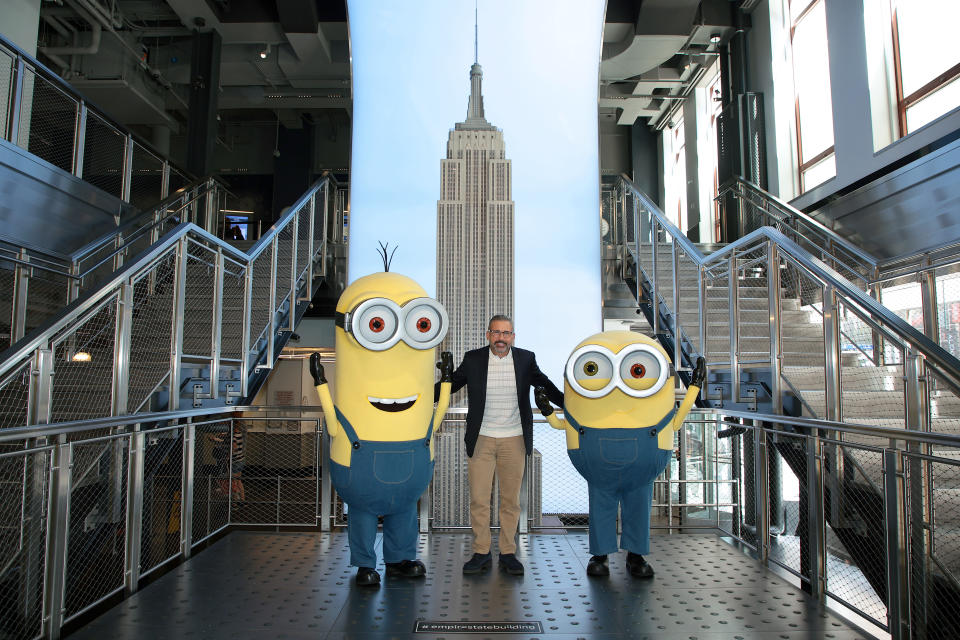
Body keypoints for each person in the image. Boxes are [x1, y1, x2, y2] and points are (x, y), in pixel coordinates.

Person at [436, 314, 563, 575]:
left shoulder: (526, 359)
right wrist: (422, 395)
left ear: (513, 337)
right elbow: (452, 385)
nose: (501, 338)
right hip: (481, 439)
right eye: (496, 333)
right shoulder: (473, 359)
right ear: (488, 335)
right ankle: (481, 552)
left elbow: (545, 385)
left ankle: (508, 552)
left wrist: (571, 406)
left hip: (514, 439)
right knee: (479, 500)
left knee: (510, 501)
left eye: (506, 333)